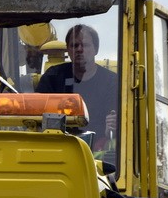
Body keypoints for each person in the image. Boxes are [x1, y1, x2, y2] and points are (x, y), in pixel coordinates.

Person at [35, 24, 118, 155]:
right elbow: (36, 114)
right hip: (56, 148)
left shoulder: (112, 82)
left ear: (96, 49)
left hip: (98, 153)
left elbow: (120, 118)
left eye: (85, 45)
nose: (79, 49)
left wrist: (113, 128)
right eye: (74, 45)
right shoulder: (53, 77)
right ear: (68, 50)